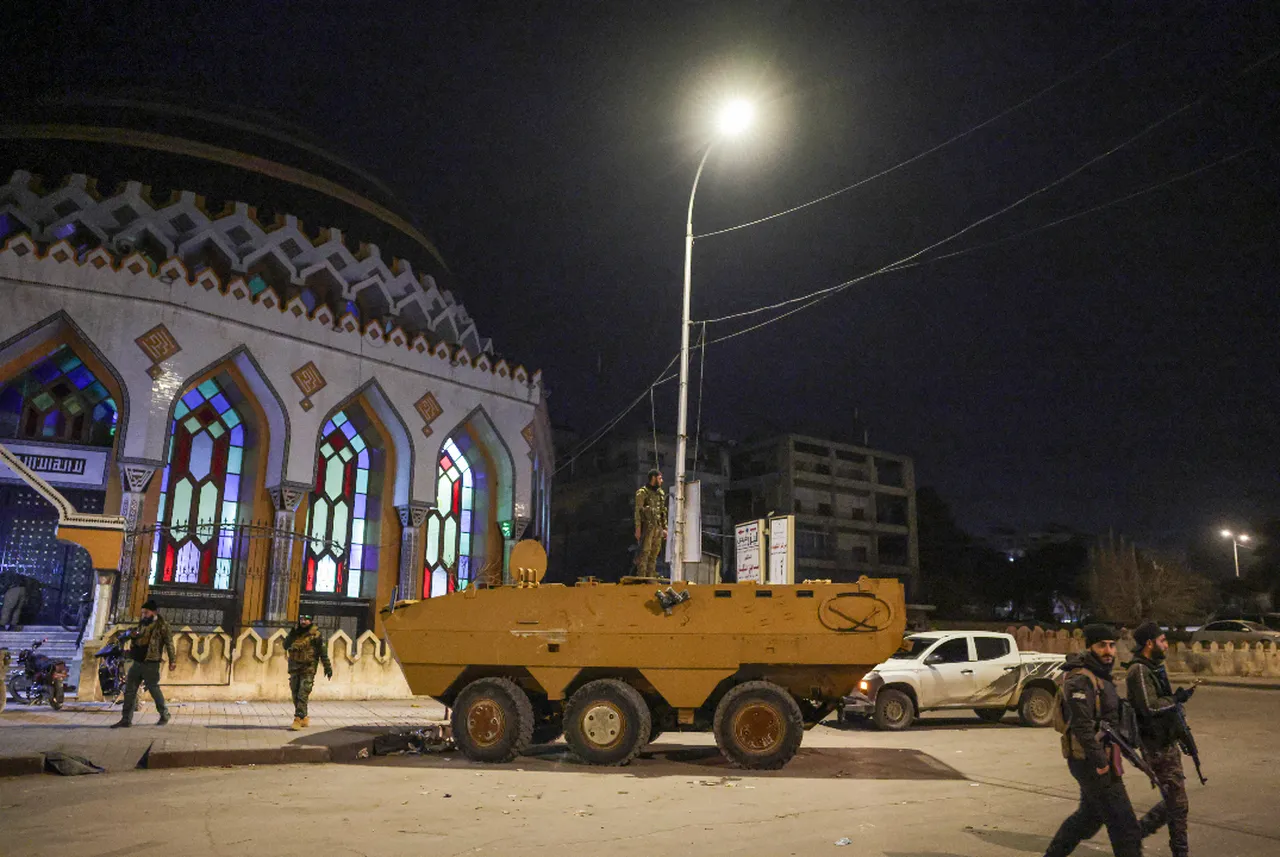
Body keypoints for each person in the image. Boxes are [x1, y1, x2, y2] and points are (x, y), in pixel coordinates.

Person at [1044, 623, 1143, 857]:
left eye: (1111, 646)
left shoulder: (1100, 676)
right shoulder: (1081, 679)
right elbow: (1082, 727)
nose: (1109, 651)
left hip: (1099, 759)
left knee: (1088, 818)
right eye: (1102, 646)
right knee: (1125, 826)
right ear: (1089, 647)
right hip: (1091, 762)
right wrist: (1101, 763)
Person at [1127, 620, 1194, 857]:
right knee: (1178, 804)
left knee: (1175, 803)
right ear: (1149, 643)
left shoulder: (1154, 667)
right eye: (1162, 641)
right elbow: (1149, 707)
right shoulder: (1139, 670)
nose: (1166, 645)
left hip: (1165, 742)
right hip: (1155, 745)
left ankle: (1133, 835)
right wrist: (1175, 700)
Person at [111, 599, 175, 728]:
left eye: (146, 613)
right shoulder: (142, 623)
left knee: (153, 689)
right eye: (143, 613)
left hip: (151, 662)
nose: (143, 615)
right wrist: (132, 635)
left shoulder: (162, 625)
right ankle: (126, 719)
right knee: (130, 690)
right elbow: (136, 636)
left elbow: (169, 644)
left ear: (153, 612)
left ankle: (164, 715)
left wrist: (172, 661)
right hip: (137, 661)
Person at [283, 613, 332, 730]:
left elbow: (322, 652)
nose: (303, 622)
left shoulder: (316, 635)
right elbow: (285, 646)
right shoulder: (295, 633)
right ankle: (304, 717)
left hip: (308, 668)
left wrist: (327, 666)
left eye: (306, 620)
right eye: (301, 619)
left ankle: (298, 719)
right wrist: (291, 635)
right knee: (295, 693)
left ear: (311, 621)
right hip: (294, 668)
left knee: (302, 693)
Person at [633, 468, 667, 578]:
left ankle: (650, 575)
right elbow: (638, 511)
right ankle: (642, 576)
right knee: (645, 552)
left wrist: (665, 528)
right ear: (653, 478)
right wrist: (638, 528)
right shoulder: (642, 493)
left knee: (654, 553)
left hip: (658, 527)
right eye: (659, 478)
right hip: (647, 527)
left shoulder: (660, 493)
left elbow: (662, 511)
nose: (661, 481)